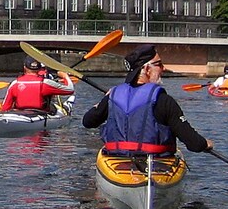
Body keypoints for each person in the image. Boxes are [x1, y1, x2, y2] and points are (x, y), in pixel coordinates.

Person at [82, 44, 213, 156]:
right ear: (147, 69)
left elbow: (88, 121)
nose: (163, 68)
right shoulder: (164, 101)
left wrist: (104, 101)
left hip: (117, 160)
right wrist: (205, 144)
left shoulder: (113, 95)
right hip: (155, 163)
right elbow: (194, 144)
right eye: (159, 64)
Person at [0, 56, 75, 112]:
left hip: (20, 114)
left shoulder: (15, 84)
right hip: (41, 114)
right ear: (39, 69)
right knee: (54, 106)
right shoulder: (45, 83)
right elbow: (70, 90)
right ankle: (65, 108)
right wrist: (65, 76)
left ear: (24, 67)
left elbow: (5, 108)